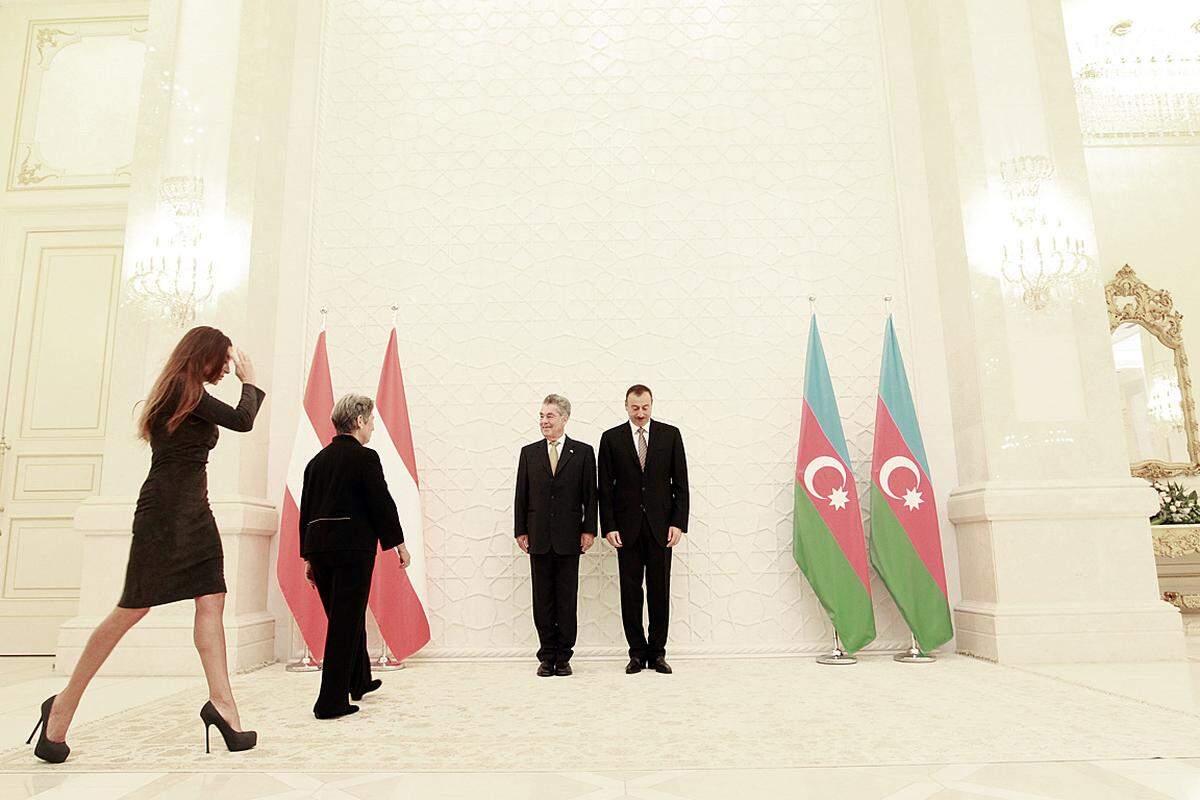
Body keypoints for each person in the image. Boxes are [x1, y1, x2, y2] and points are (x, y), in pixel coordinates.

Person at [27, 327, 265, 763]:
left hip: (196, 510)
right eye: (224, 360)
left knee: (212, 599)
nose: (227, 368)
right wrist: (249, 381)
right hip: (165, 513)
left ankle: (224, 706)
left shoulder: (186, 390)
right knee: (133, 607)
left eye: (232, 363)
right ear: (205, 355)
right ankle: (62, 706)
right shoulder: (181, 388)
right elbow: (242, 420)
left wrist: (242, 379)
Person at [300, 394, 411, 719]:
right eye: (372, 421)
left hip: (319, 549)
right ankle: (330, 702)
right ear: (360, 421)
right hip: (351, 549)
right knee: (344, 624)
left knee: (345, 616)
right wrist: (399, 544)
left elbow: (307, 511)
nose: (373, 427)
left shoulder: (315, 462)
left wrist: (308, 556)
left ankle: (358, 679)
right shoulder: (365, 458)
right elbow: (381, 503)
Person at [598, 385, 689, 674]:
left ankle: (658, 653)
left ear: (652, 405)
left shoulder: (670, 435)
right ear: (626, 406)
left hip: (662, 529)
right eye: (635, 408)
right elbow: (605, 489)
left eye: (645, 407)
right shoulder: (611, 439)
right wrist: (609, 525)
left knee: (660, 591)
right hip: (626, 530)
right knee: (630, 592)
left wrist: (678, 523)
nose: (640, 413)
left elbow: (681, 484)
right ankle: (636, 653)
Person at [513, 394, 597, 676]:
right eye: (541, 416)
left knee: (566, 598)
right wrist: (520, 530)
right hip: (537, 537)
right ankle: (546, 656)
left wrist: (589, 529)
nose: (544, 421)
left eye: (549, 416)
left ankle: (564, 657)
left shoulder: (583, 453)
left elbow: (590, 496)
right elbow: (521, 495)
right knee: (543, 599)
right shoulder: (529, 452)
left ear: (564, 418)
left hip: (570, 538)